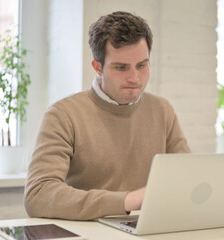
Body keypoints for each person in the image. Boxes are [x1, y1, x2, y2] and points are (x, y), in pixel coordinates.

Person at [24, 11, 191, 220]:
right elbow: (38, 195)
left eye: (142, 65)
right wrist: (127, 201)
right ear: (98, 67)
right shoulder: (63, 114)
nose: (134, 78)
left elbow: (187, 179)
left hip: (150, 229)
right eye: (121, 67)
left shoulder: (162, 110)